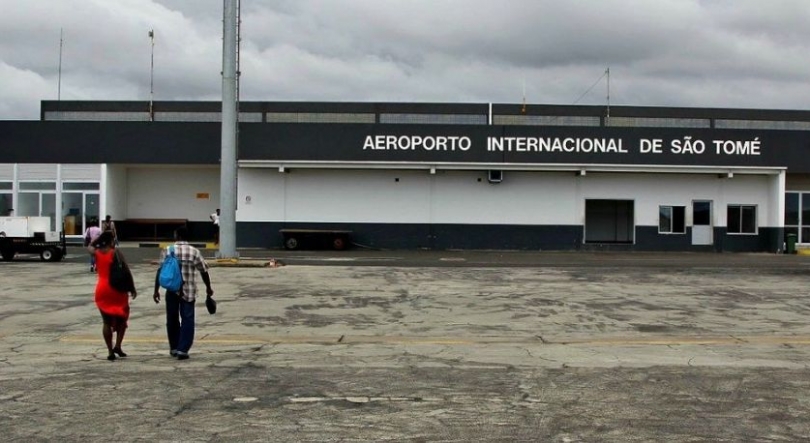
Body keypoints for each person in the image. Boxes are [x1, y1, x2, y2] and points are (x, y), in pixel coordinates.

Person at [153, 226, 214, 360]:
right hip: (189, 291)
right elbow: (204, 271)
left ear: (177, 236)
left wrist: (156, 290)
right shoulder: (194, 252)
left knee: (172, 319)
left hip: (172, 290)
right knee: (187, 319)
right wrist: (208, 288)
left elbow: (160, 271)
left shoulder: (168, 250)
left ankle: (174, 347)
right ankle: (183, 349)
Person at [88, 231, 137, 361]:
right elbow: (126, 270)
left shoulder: (96, 253)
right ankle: (118, 346)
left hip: (102, 289)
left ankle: (110, 351)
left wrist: (98, 240)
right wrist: (132, 288)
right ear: (111, 241)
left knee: (106, 322)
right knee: (122, 318)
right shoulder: (116, 253)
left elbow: (90, 246)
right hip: (117, 290)